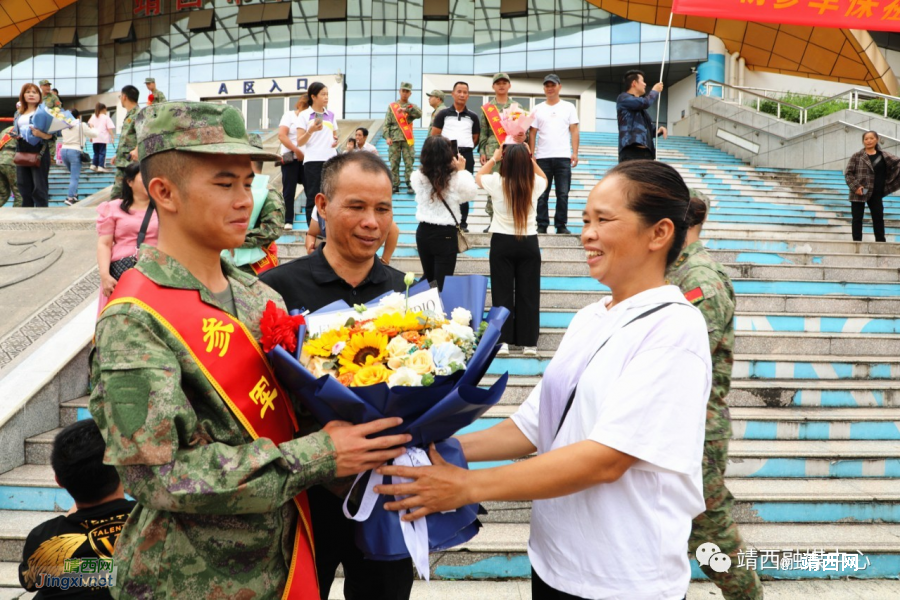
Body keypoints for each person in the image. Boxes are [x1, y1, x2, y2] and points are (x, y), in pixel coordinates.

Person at [89, 101, 409, 599]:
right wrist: (322, 455)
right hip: (190, 578)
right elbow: (160, 477)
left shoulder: (260, 297)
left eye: (247, 182)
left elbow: (297, 414)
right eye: (225, 184)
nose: (245, 200)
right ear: (164, 192)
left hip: (283, 561)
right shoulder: (134, 319)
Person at [375, 160, 712, 600]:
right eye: (585, 221)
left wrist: (467, 486)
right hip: (554, 562)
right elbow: (533, 426)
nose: (587, 234)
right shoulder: (591, 317)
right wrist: (427, 448)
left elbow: (607, 458)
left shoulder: (674, 328)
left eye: (603, 220)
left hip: (622, 577)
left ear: (659, 233)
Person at [261, 150, 416, 600]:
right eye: (357, 206)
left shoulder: (408, 293)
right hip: (302, 496)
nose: (372, 222)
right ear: (323, 206)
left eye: (383, 209)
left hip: (384, 494)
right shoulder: (275, 290)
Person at [668, 190, 765, 600]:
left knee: (710, 533)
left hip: (697, 427)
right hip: (674, 421)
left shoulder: (700, 279)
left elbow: (687, 356)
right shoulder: (676, 271)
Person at [18, 420, 137, 599]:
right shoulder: (154, 520)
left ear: (58, 480)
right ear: (124, 469)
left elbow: (29, 580)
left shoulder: (44, 539)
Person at [476, 143, 546, 356]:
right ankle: (529, 344)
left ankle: (503, 341)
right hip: (528, 242)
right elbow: (545, 178)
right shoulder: (534, 183)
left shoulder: (496, 182)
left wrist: (494, 158)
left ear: (505, 161)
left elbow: (478, 177)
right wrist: (530, 159)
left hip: (502, 242)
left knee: (502, 293)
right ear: (526, 162)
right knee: (529, 294)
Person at [412, 135, 477, 290]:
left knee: (430, 280)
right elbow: (470, 193)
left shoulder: (417, 176)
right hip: (445, 234)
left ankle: (427, 304)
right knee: (441, 284)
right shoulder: (455, 178)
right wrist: (461, 171)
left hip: (423, 232)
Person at [96, 162, 159, 313]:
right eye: (144, 177)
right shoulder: (112, 208)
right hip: (122, 272)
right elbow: (104, 244)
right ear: (129, 182)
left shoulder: (164, 208)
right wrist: (105, 275)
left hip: (157, 270)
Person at [478, 73, 528, 231]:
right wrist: (482, 151)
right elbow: (484, 133)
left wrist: (523, 137)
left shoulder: (517, 107)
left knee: (513, 183)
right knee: (493, 184)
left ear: (509, 85)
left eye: (504, 83)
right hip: (494, 151)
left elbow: (523, 130)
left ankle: (512, 220)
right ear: (493, 86)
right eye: (498, 83)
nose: (501, 85)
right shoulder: (487, 108)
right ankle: (492, 221)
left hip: (513, 149)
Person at [529, 74, 578, 235]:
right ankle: (542, 224)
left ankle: (561, 224)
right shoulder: (537, 108)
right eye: (547, 85)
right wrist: (532, 154)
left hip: (563, 157)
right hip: (542, 157)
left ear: (559, 87)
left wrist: (575, 152)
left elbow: (574, 130)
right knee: (542, 193)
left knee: (563, 194)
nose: (550, 88)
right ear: (544, 88)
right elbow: (532, 132)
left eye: (553, 85)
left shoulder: (569, 107)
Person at [224, 153, 285, 277]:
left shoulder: (268, 192)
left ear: (249, 163)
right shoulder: (232, 188)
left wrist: (236, 237)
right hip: (229, 262)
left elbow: (273, 229)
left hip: (255, 266)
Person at [431, 81, 480, 232]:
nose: (462, 95)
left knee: (464, 187)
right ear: (452, 94)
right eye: (459, 91)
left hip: (466, 156)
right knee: (444, 186)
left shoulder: (473, 116)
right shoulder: (443, 114)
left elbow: (476, 138)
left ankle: (463, 223)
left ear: (468, 95)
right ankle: (444, 220)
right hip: (446, 155)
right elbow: (435, 135)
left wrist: (464, 150)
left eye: (465, 92)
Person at [844, 130, 900, 242]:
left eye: (871, 138)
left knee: (878, 217)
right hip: (860, 191)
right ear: (863, 141)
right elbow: (848, 173)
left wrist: (889, 180)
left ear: (877, 139)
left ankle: (880, 242)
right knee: (857, 218)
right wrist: (856, 187)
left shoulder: (884, 156)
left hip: (876, 192)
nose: (869, 141)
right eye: (866, 139)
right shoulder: (857, 156)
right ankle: (857, 242)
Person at [296, 82, 338, 227]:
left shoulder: (331, 115)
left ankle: (329, 228)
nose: (326, 97)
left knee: (331, 196)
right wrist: (311, 130)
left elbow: (334, 136)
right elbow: (300, 142)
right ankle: (313, 231)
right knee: (313, 196)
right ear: (313, 97)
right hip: (313, 161)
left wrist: (335, 141)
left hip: (331, 160)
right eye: (323, 94)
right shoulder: (304, 115)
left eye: (327, 94)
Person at [305, 202, 400, 265]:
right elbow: (311, 234)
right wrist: (311, 248)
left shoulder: (364, 209)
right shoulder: (321, 209)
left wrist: (384, 261)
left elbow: (393, 230)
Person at [10, 83, 54, 208]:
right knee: (23, 186)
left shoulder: (44, 112)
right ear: (23, 95)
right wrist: (16, 135)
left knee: (39, 187)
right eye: (28, 92)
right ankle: (26, 215)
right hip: (21, 149)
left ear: (39, 96)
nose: (31, 95)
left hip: (39, 149)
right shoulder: (18, 113)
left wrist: (41, 134)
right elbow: (17, 130)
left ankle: (42, 214)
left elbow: (53, 136)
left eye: (34, 92)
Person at [616, 69, 667, 163]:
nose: (645, 84)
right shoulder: (623, 98)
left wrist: (658, 130)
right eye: (642, 81)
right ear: (634, 83)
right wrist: (654, 91)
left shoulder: (641, 110)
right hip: (631, 152)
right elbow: (645, 102)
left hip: (646, 153)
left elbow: (649, 130)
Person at [384, 82, 423, 193]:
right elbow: (386, 124)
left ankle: (410, 184)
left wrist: (406, 110)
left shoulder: (412, 107)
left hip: (407, 139)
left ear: (410, 93)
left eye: (407, 91)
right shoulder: (392, 107)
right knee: (394, 163)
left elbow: (419, 114)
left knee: (409, 163)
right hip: (394, 139)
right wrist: (387, 137)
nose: (405, 93)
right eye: (403, 91)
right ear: (399, 91)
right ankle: (395, 184)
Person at [277, 94, 309, 230]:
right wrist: (296, 151)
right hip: (291, 158)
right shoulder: (289, 115)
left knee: (311, 191)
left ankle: (311, 222)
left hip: (307, 159)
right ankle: (288, 220)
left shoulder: (311, 117)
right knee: (289, 191)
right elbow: (282, 135)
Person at [60, 108, 97, 205]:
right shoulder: (81, 125)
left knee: (73, 175)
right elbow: (94, 134)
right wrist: (92, 127)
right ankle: (70, 198)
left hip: (63, 151)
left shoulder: (63, 125)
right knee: (74, 177)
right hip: (75, 151)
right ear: (78, 116)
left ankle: (74, 195)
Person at [111, 85, 140, 200]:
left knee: (118, 194)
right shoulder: (130, 114)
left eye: (120, 96)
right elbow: (127, 138)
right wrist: (117, 155)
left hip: (131, 162)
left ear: (124, 97)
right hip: (123, 160)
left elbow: (142, 134)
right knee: (120, 195)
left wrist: (136, 150)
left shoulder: (138, 114)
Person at [88, 103, 116, 172]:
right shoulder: (106, 117)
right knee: (102, 152)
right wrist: (112, 137)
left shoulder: (93, 116)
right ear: (103, 109)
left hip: (95, 137)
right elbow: (109, 128)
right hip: (103, 138)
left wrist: (91, 136)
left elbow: (91, 126)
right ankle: (101, 166)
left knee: (96, 152)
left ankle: (94, 165)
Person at [0, 125, 21, 207]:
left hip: (0, 158)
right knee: (20, 193)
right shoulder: (23, 129)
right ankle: (16, 214)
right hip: (12, 161)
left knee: (3, 194)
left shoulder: (6, 130)